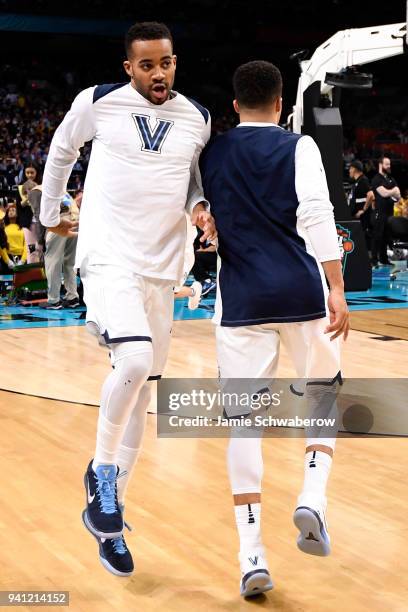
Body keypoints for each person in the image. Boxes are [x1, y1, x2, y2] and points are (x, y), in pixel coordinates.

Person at [40, 21, 216, 577]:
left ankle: (109, 513)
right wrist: (51, 212)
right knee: (134, 361)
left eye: (165, 63)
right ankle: (101, 473)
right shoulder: (98, 103)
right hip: (111, 256)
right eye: (146, 65)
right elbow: (62, 148)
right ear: (128, 67)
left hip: (164, 266)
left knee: (144, 391)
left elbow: (193, 181)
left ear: (174, 61)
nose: (157, 73)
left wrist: (200, 207)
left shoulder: (198, 118)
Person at [201, 60, 349, 598]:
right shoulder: (300, 146)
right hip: (300, 292)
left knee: (243, 424)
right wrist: (335, 285)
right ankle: (312, 495)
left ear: (235, 105)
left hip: (241, 302)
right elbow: (316, 212)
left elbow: (196, 209)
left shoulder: (211, 151)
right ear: (283, 103)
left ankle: (251, 555)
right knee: (323, 398)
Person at [43, 192, 80, 309]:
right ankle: (72, 298)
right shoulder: (65, 192)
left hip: (60, 221)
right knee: (70, 262)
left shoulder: (35, 192)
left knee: (53, 260)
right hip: (76, 220)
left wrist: (41, 241)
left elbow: (42, 218)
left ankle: (54, 300)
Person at [371, 156, 400, 267]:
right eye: (387, 164)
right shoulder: (376, 179)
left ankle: (384, 258)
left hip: (389, 213)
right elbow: (384, 193)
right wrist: (393, 191)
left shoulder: (390, 178)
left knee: (386, 236)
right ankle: (374, 259)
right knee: (377, 235)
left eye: (389, 164)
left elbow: (398, 196)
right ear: (380, 165)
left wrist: (391, 192)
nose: (389, 166)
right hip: (379, 212)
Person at [348, 160, 374, 252]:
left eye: (350, 168)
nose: (349, 171)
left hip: (363, 218)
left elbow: (371, 195)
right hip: (357, 218)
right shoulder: (357, 182)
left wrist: (363, 210)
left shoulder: (363, 180)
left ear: (354, 169)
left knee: (364, 239)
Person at [0, 202, 27, 271]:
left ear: (17, 214)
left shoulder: (23, 228)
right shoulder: (3, 228)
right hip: (7, 258)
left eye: (13, 210)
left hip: (21, 258)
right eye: (9, 210)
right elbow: (2, 245)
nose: (11, 212)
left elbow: (26, 245)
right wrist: (7, 260)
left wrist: (23, 260)